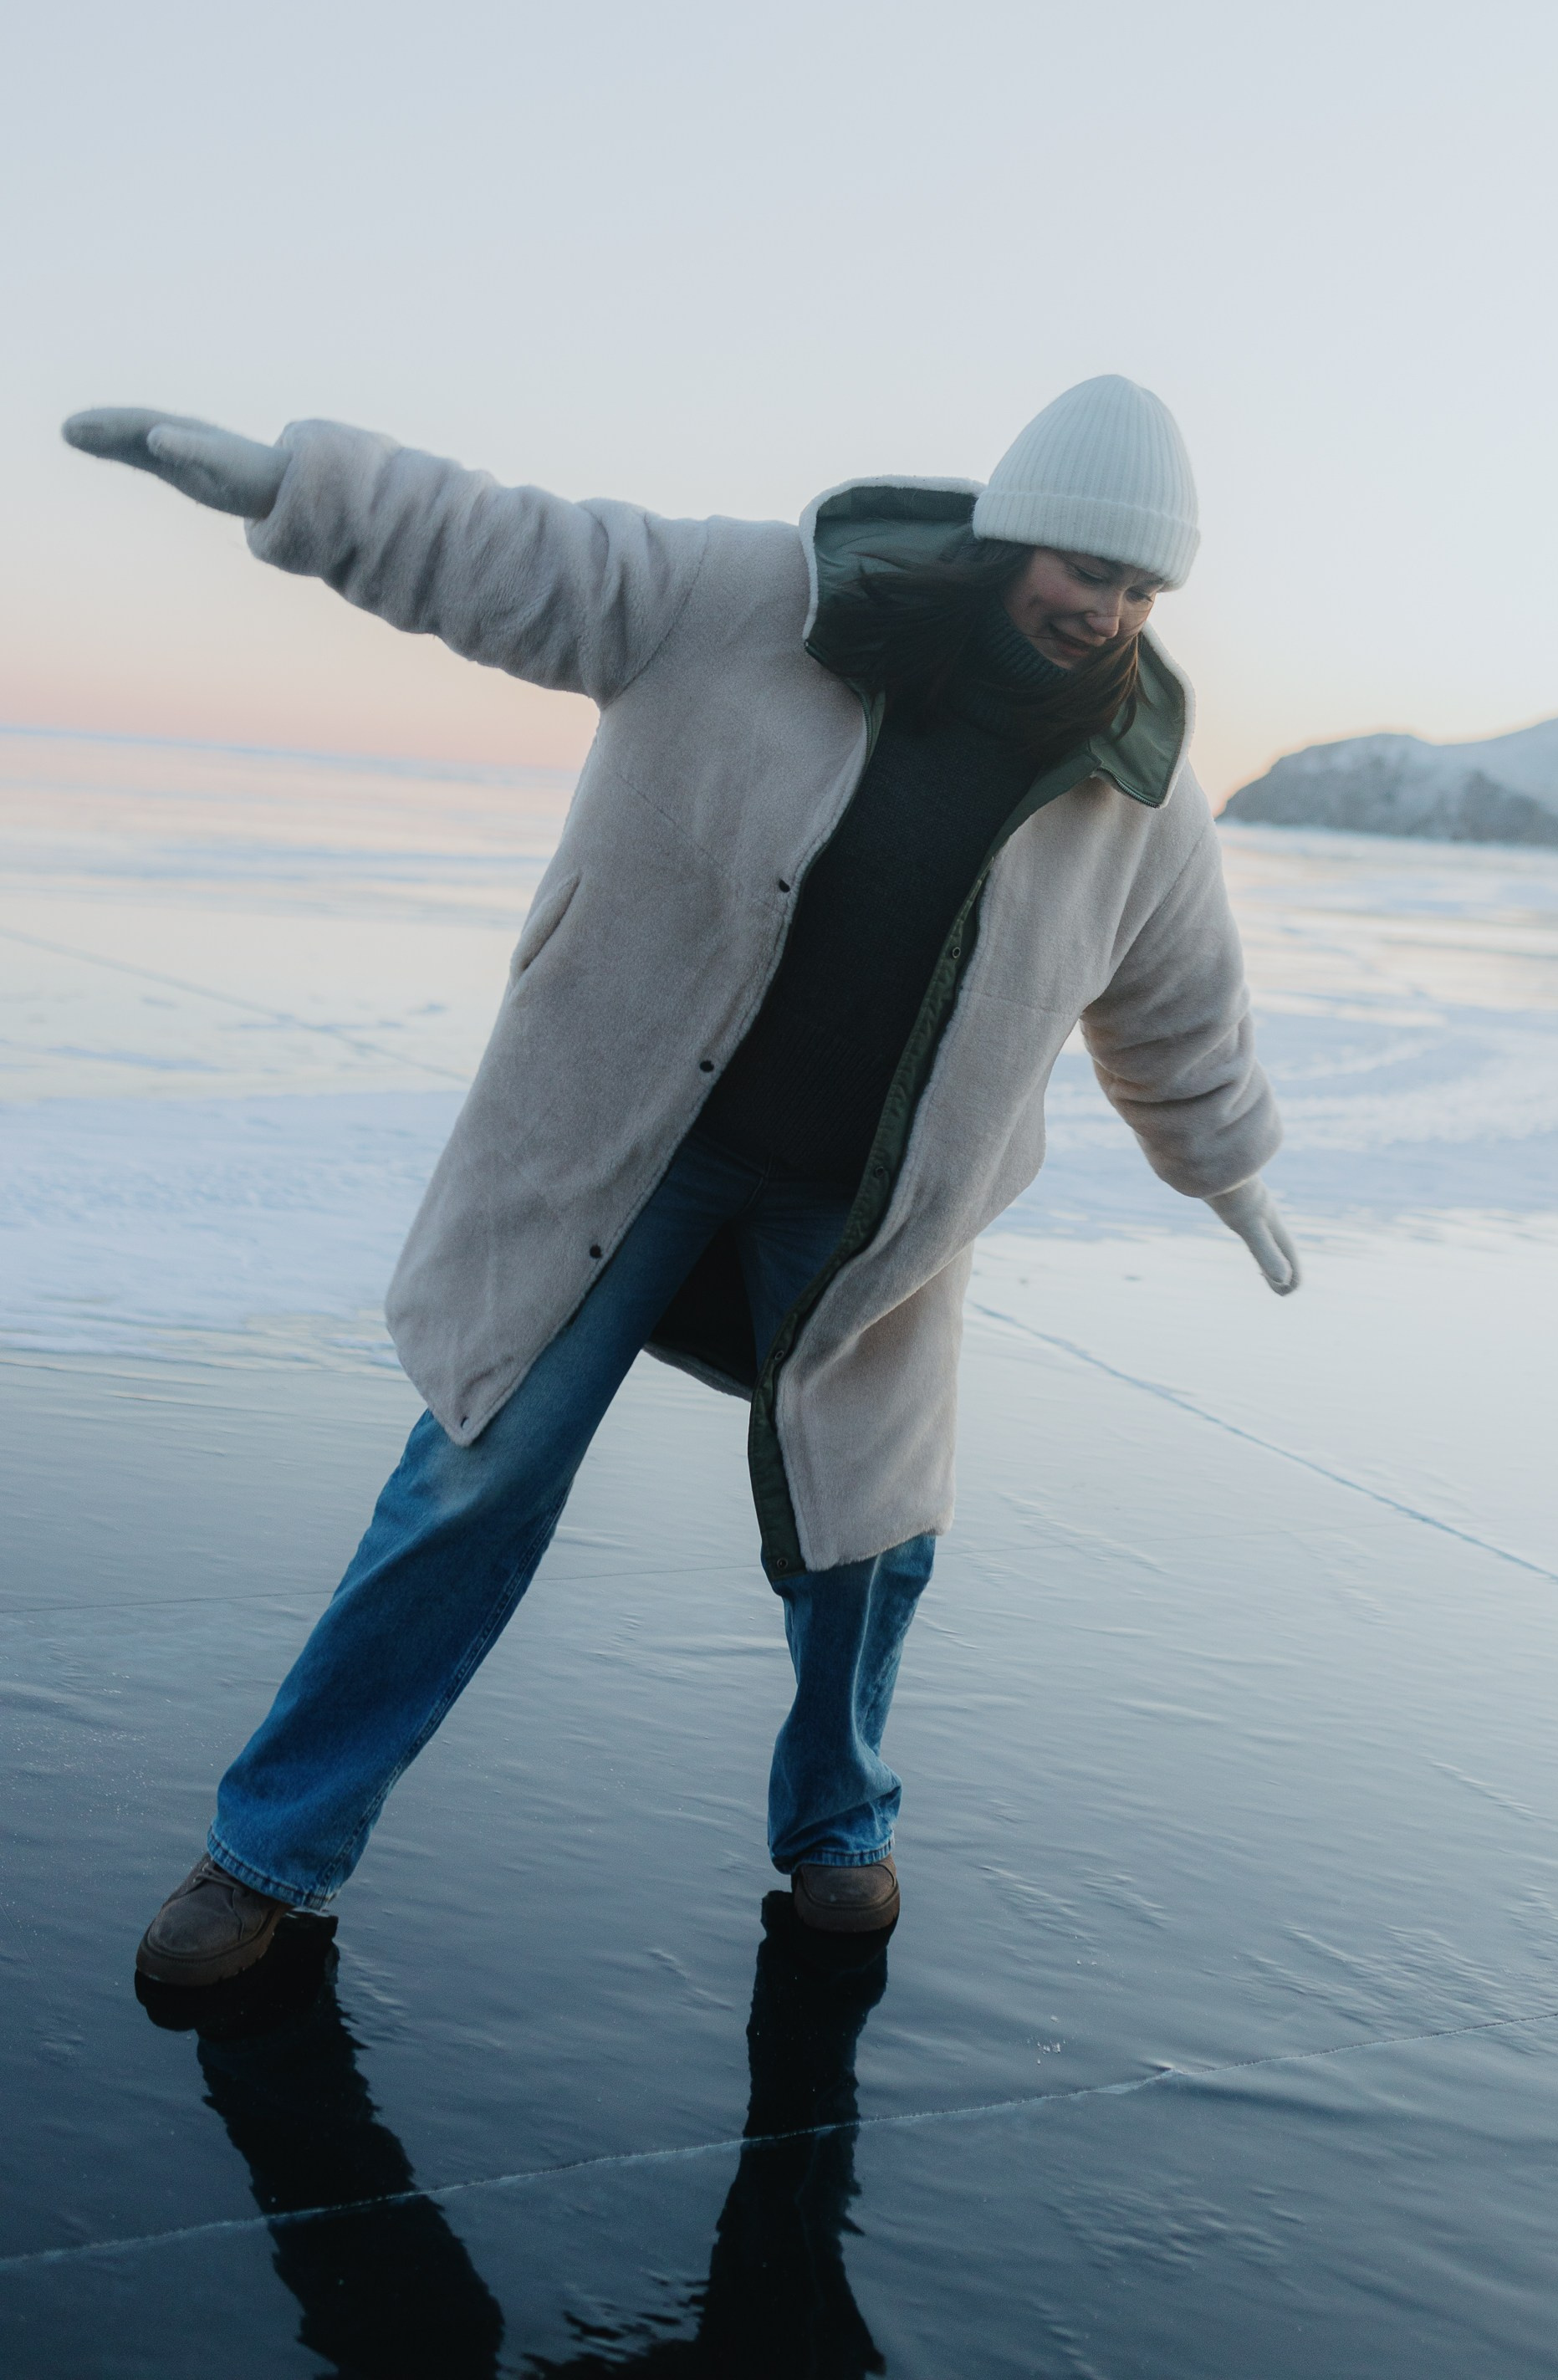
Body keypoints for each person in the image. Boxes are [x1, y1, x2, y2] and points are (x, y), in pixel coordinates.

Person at [65, 373, 1297, 1979]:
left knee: (870, 1536)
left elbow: (1178, 1009)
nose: (1108, 614)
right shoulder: (742, 601)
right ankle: (268, 1855)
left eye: (1143, 589)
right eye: (1087, 571)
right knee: (472, 1478)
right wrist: (291, 486)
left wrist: (1231, 1170)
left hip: (862, 1216)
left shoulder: (1132, 784)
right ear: (1013, 542)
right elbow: (508, 552)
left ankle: (837, 1825)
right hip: (624, 1146)